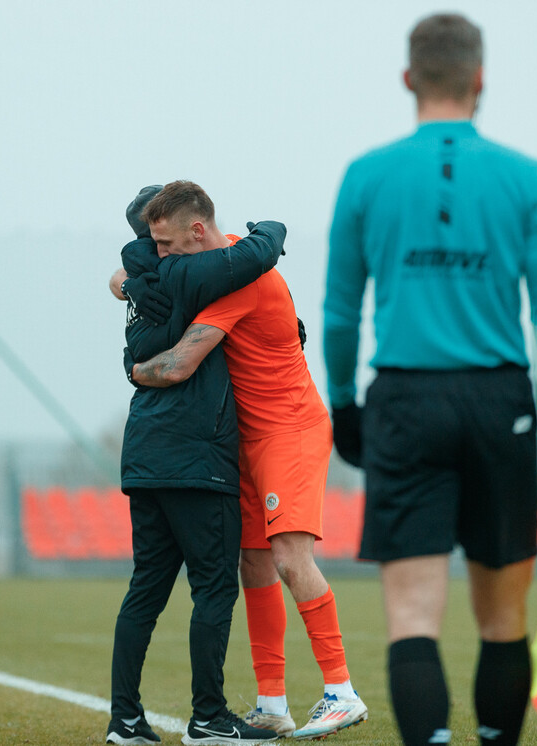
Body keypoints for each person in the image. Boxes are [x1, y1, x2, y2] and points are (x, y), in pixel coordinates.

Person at [322, 14, 537, 745]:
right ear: (480, 79)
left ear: (409, 79)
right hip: (498, 404)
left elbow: (339, 314)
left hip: (404, 402)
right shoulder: (530, 180)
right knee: (502, 619)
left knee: (413, 617)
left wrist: (345, 403)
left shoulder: (366, 176)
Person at [128, 181, 368, 741]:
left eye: (165, 244)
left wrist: (134, 369)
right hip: (247, 441)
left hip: (290, 432)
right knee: (254, 565)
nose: (159, 256)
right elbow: (129, 278)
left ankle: (341, 691)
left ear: (197, 230)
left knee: (288, 558)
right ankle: (272, 703)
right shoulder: (220, 264)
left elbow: (178, 366)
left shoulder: (241, 278)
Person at [107, 184, 283, 746]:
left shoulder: (137, 279)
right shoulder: (187, 272)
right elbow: (251, 258)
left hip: (145, 456)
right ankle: (208, 718)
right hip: (197, 458)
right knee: (213, 589)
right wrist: (272, 231)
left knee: (146, 591)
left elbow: (135, 358)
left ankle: (125, 721)